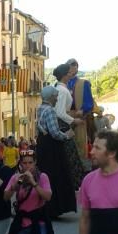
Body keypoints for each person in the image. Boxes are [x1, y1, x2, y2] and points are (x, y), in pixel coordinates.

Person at [36, 86, 76, 218]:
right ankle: (55, 207)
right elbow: (54, 133)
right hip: (52, 148)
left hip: (42, 145)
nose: (57, 98)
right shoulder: (50, 111)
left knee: (45, 173)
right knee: (57, 174)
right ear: (51, 97)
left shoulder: (40, 108)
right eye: (55, 96)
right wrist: (67, 135)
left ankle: (45, 206)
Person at [53, 63, 85, 189]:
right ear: (65, 75)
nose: (72, 73)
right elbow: (60, 112)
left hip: (62, 124)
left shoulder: (59, 88)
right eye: (69, 72)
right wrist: (74, 120)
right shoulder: (62, 90)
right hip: (63, 126)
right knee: (70, 158)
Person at [66, 58, 95, 161]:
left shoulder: (84, 83)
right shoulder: (62, 84)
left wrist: (82, 110)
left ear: (77, 68)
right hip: (65, 118)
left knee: (79, 144)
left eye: (74, 65)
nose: (72, 67)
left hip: (79, 118)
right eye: (70, 65)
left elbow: (89, 102)